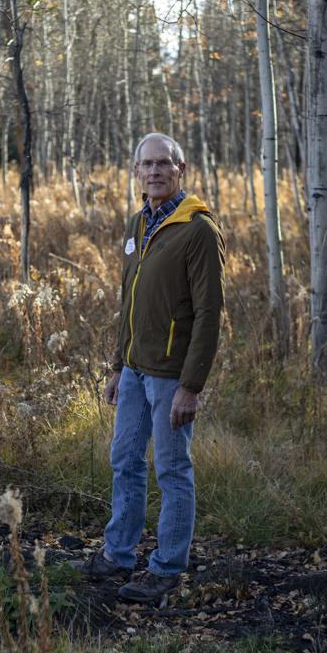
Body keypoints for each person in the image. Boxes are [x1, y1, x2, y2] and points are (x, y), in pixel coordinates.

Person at [71, 132, 226, 603]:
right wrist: (118, 365)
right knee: (125, 462)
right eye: (146, 165)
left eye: (164, 164)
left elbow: (209, 313)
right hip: (135, 373)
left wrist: (191, 386)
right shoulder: (139, 223)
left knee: (172, 470)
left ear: (181, 169)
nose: (155, 172)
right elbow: (129, 303)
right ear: (136, 172)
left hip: (170, 376)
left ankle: (167, 568)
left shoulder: (197, 229)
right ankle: (118, 554)